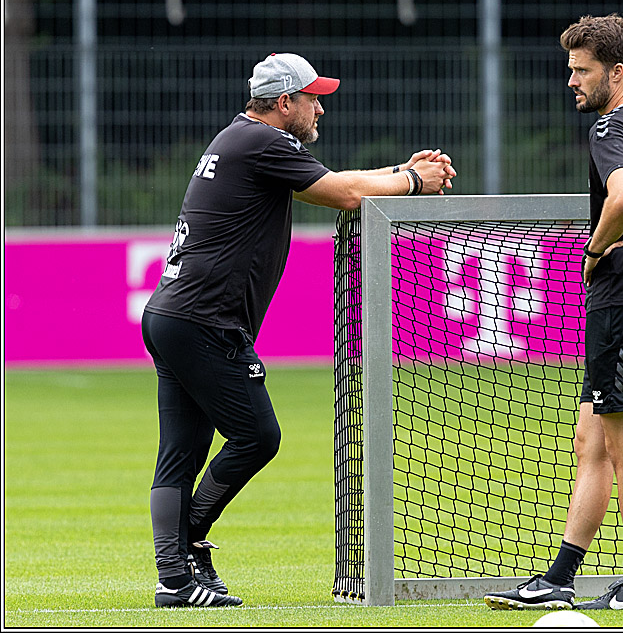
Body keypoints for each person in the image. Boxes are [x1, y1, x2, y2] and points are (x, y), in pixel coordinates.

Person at [141, 52, 456, 608]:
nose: (321, 109)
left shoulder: (244, 139)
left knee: (181, 453)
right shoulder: (263, 142)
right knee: (257, 437)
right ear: (285, 102)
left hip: (174, 315)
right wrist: (411, 180)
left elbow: (328, 184)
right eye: (314, 98)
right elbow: (342, 193)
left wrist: (399, 172)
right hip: (204, 321)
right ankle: (184, 549)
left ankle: (176, 575)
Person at [484, 15, 623, 611]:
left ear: (615, 72)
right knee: (591, 441)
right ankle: (560, 577)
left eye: (582, 70)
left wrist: (594, 251)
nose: (571, 80)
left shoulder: (610, 126)